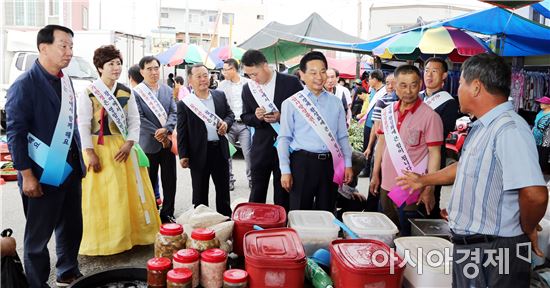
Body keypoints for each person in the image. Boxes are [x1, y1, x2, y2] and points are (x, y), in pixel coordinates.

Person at [396, 54, 547, 288]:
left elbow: (535, 194)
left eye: (462, 83)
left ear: (476, 87)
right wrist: (424, 179)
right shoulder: (483, 126)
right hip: (473, 246)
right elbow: (465, 166)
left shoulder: (509, 129)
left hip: (496, 250)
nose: (458, 91)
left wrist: (527, 227)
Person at [6, 24, 86, 287]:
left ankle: (67, 270)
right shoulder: (24, 85)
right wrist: (26, 175)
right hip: (41, 174)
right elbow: (16, 133)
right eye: (63, 45)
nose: (69, 52)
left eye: (71, 46)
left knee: (72, 226)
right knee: (38, 238)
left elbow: (71, 126)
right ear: (43, 48)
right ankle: (38, 283)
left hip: (70, 170)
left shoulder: (66, 81)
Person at [77, 45, 161, 256]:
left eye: (118, 63)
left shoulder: (126, 91)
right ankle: (108, 241)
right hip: (100, 148)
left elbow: (134, 120)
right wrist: (89, 152)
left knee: (128, 192)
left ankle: (133, 236)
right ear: (99, 67)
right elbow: (84, 125)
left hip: (124, 147)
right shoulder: (88, 93)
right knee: (106, 194)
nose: (116, 68)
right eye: (110, 64)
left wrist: (130, 142)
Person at [370, 64, 443, 235]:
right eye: (403, 85)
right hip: (385, 186)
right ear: (394, 85)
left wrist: (429, 188)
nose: (409, 90)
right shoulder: (387, 112)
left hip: (411, 189)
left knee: (407, 237)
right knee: (386, 234)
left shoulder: (430, 116)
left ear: (420, 85)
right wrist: (375, 173)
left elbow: (434, 153)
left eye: (414, 85)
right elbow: (381, 143)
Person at [278, 51, 353, 212]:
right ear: (302, 75)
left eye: (323, 71)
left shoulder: (336, 103)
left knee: (327, 212)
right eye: (313, 72)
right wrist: (285, 170)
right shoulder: (291, 103)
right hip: (302, 163)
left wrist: (348, 164)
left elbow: (342, 136)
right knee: (299, 212)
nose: (319, 76)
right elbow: (283, 139)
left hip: (330, 164)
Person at [241, 49, 303, 212]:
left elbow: (303, 114)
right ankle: (254, 227)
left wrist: (282, 117)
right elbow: (245, 116)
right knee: (257, 192)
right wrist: (256, 117)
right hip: (261, 148)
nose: (253, 79)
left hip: (287, 147)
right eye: (249, 75)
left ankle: (281, 227)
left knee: (283, 193)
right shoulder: (248, 89)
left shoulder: (291, 83)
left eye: (255, 74)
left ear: (265, 66)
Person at [177, 64, 234, 217]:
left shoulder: (219, 95)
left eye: (205, 75)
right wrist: (183, 155)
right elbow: (182, 131)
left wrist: (226, 123)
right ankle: (202, 228)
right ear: (190, 80)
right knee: (200, 194)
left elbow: (230, 114)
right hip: (198, 153)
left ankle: (226, 222)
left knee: (223, 192)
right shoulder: (185, 104)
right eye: (199, 76)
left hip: (219, 151)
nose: (203, 79)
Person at [134, 56, 178, 224]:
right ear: (142, 71)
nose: (153, 72)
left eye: (156, 68)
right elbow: (139, 117)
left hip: (167, 143)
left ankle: (168, 213)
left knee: (170, 180)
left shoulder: (167, 90)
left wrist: (166, 129)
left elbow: (174, 112)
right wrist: (159, 133)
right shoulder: (137, 92)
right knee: (148, 181)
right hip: (148, 144)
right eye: (149, 69)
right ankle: (151, 215)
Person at [419, 57, 459, 218]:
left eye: (434, 71)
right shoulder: (416, 96)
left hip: (432, 157)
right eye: (427, 70)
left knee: (428, 199)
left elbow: (441, 131)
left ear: (444, 76)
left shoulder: (449, 102)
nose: (429, 75)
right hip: (410, 155)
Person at [218, 58, 252, 191]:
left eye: (226, 69)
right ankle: (229, 180)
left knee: (248, 154)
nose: (223, 72)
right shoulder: (222, 85)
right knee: (227, 154)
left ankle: (252, 179)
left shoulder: (248, 83)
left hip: (244, 125)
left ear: (233, 69)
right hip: (229, 125)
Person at [357, 69, 386, 178]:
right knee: (366, 146)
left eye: (369, 79)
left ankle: (371, 170)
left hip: (377, 125)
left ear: (375, 79)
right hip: (368, 123)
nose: (368, 81)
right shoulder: (372, 90)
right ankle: (366, 168)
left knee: (374, 148)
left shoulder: (384, 91)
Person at [533, 96, 550, 173]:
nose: (540, 104)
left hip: (545, 139)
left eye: (543, 103)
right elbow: (536, 124)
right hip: (535, 137)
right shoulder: (540, 112)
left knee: (543, 155)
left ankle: (541, 171)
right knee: (536, 153)